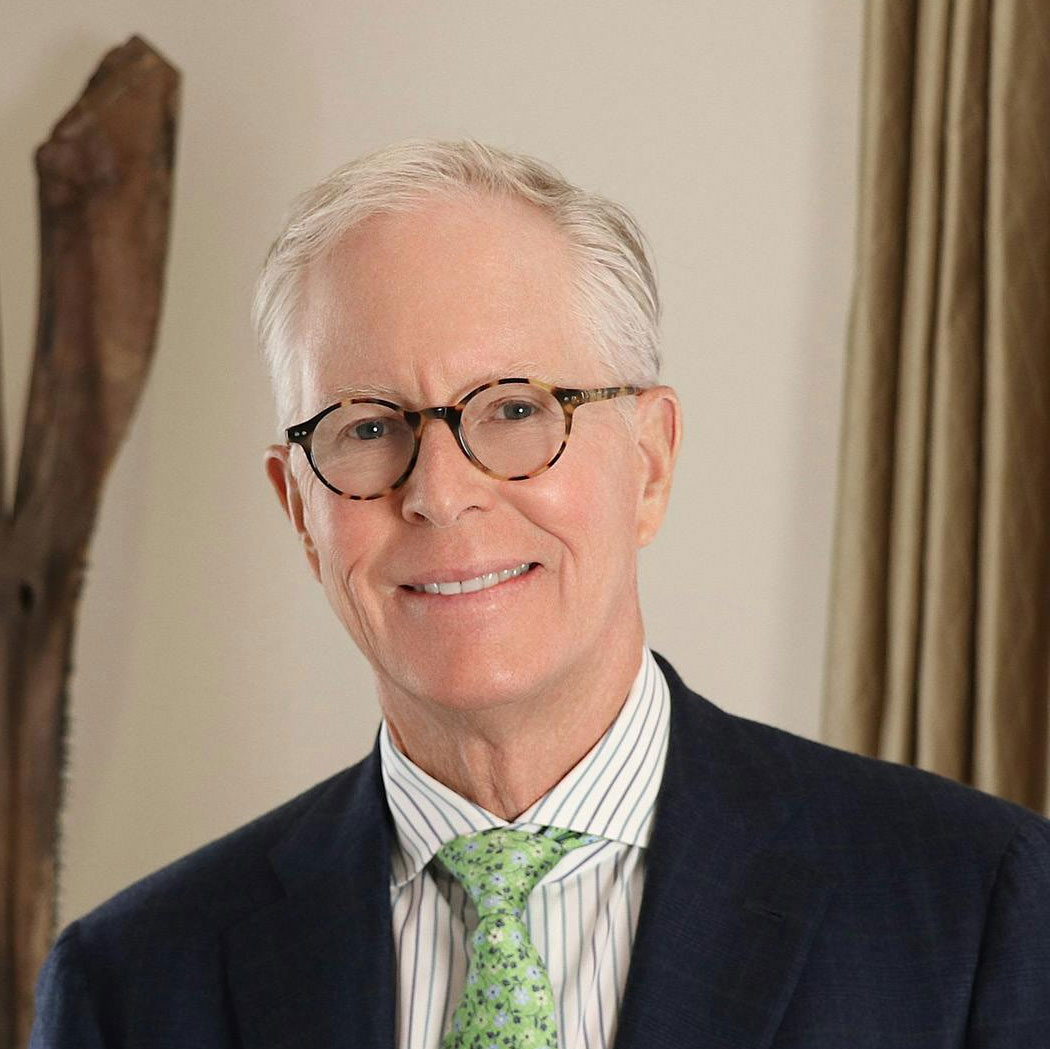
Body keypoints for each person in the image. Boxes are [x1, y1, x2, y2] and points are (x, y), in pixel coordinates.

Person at [31, 140, 1050, 1049]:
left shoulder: (974, 907)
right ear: (300, 509)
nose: (440, 493)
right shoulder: (130, 986)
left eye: (516, 409)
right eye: (368, 428)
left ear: (649, 461)